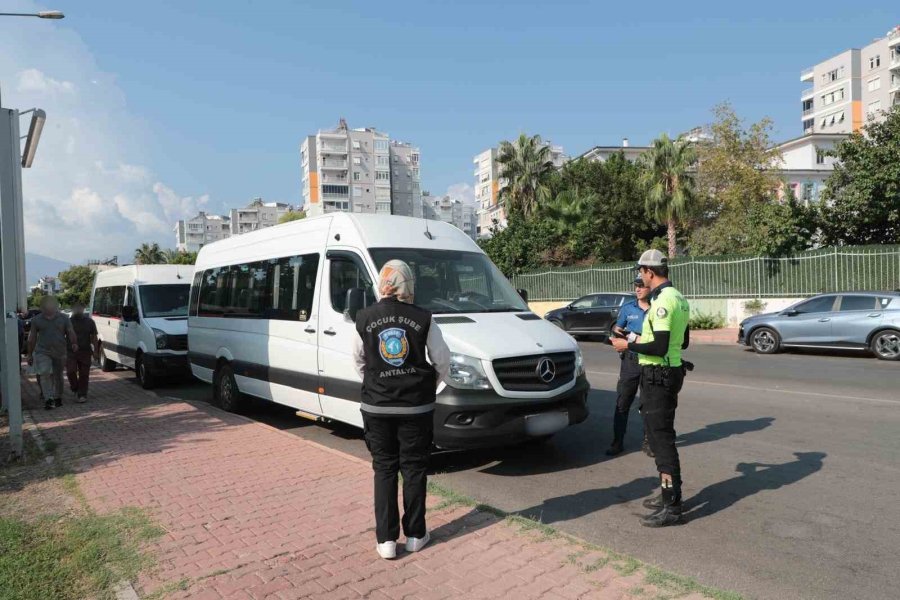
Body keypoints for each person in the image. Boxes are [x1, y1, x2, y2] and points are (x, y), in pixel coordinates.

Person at [352, 259, 451, 560]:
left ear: (383, 283)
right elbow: (442, 360)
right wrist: (427, 386)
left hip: (376, 407)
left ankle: (385, 541)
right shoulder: (423, 318)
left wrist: (379, 386)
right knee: (413, 469)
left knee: (383, 470)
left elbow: (359, 361)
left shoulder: (364, 317)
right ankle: (416, 535)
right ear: (408, 283)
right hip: (415, 408)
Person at [611, 249, 690, 527]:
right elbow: (683, 342)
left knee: (661, 441)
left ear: (649, 272)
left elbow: (657, 347)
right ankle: (668, 494)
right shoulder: (679, 298)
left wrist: (627, 344)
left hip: (659, 376)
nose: (641, 278)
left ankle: (673, 507)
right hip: (669, 371)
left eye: (642, 273)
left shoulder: (662, 302)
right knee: (661, 438)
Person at [606, 276, 652, 457]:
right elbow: (617, 329)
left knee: (648, 404)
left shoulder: (657, 308)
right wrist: (622, 334)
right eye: (636, 286)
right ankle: (617, 442)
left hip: (650, 360)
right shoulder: (628, 309)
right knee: (623, 402)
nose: (638, 289)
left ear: (650, 287)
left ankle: (648, 442)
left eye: (641, 286)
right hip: (630, 361)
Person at [26, 296, 78, 410]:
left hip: (60, 351)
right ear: (43, 307)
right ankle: (48, 399)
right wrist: (29, 354)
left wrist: (74, 343)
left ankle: (58, 396)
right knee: (45, 373)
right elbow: (32, 337)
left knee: (58, 375)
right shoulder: (36, 320)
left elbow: (70, 331)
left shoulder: (64, 318)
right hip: (43, 351)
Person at [66, 301, 100, 403]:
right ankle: (75, 387)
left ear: (83, 308)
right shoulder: (67, 322)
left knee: (84, 374)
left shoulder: (89, 322)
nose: (78, 309)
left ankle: (82, 394)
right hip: (70, 352)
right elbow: (61, 337)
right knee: (70, 371)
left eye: (80, 307)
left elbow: (94, 337)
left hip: (85, 351)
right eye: (76, 308)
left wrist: (96, 351)